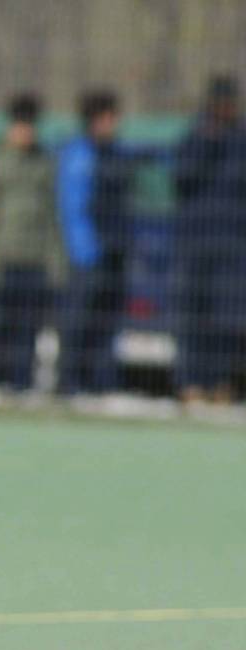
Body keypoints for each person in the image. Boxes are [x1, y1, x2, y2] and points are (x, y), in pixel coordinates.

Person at [0, 93, 66, 399]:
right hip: (2, 257)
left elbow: (52, 215)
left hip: (34, 257)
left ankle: (23, 383)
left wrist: (55, 260)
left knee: (29, 326)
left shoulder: (45, 163)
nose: (26, 132)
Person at [173, 75, 246, 405]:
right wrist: (207, 143)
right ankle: (191, 384)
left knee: (225, 320)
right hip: (194, 244)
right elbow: (181, 179)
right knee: (192, 317)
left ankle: (220, 383)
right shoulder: (196, 137)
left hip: (232, 246)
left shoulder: (240, 139)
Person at [56, 88, 134, 396]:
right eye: (107, 118)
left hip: (115, 250)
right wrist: (85, 249)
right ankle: (70, 382)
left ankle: (100, 383)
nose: (112, 124)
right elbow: (73, 206)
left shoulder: (116, 153)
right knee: (79, 320)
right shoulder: (79, 154)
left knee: (107, 320)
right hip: (88, 256)